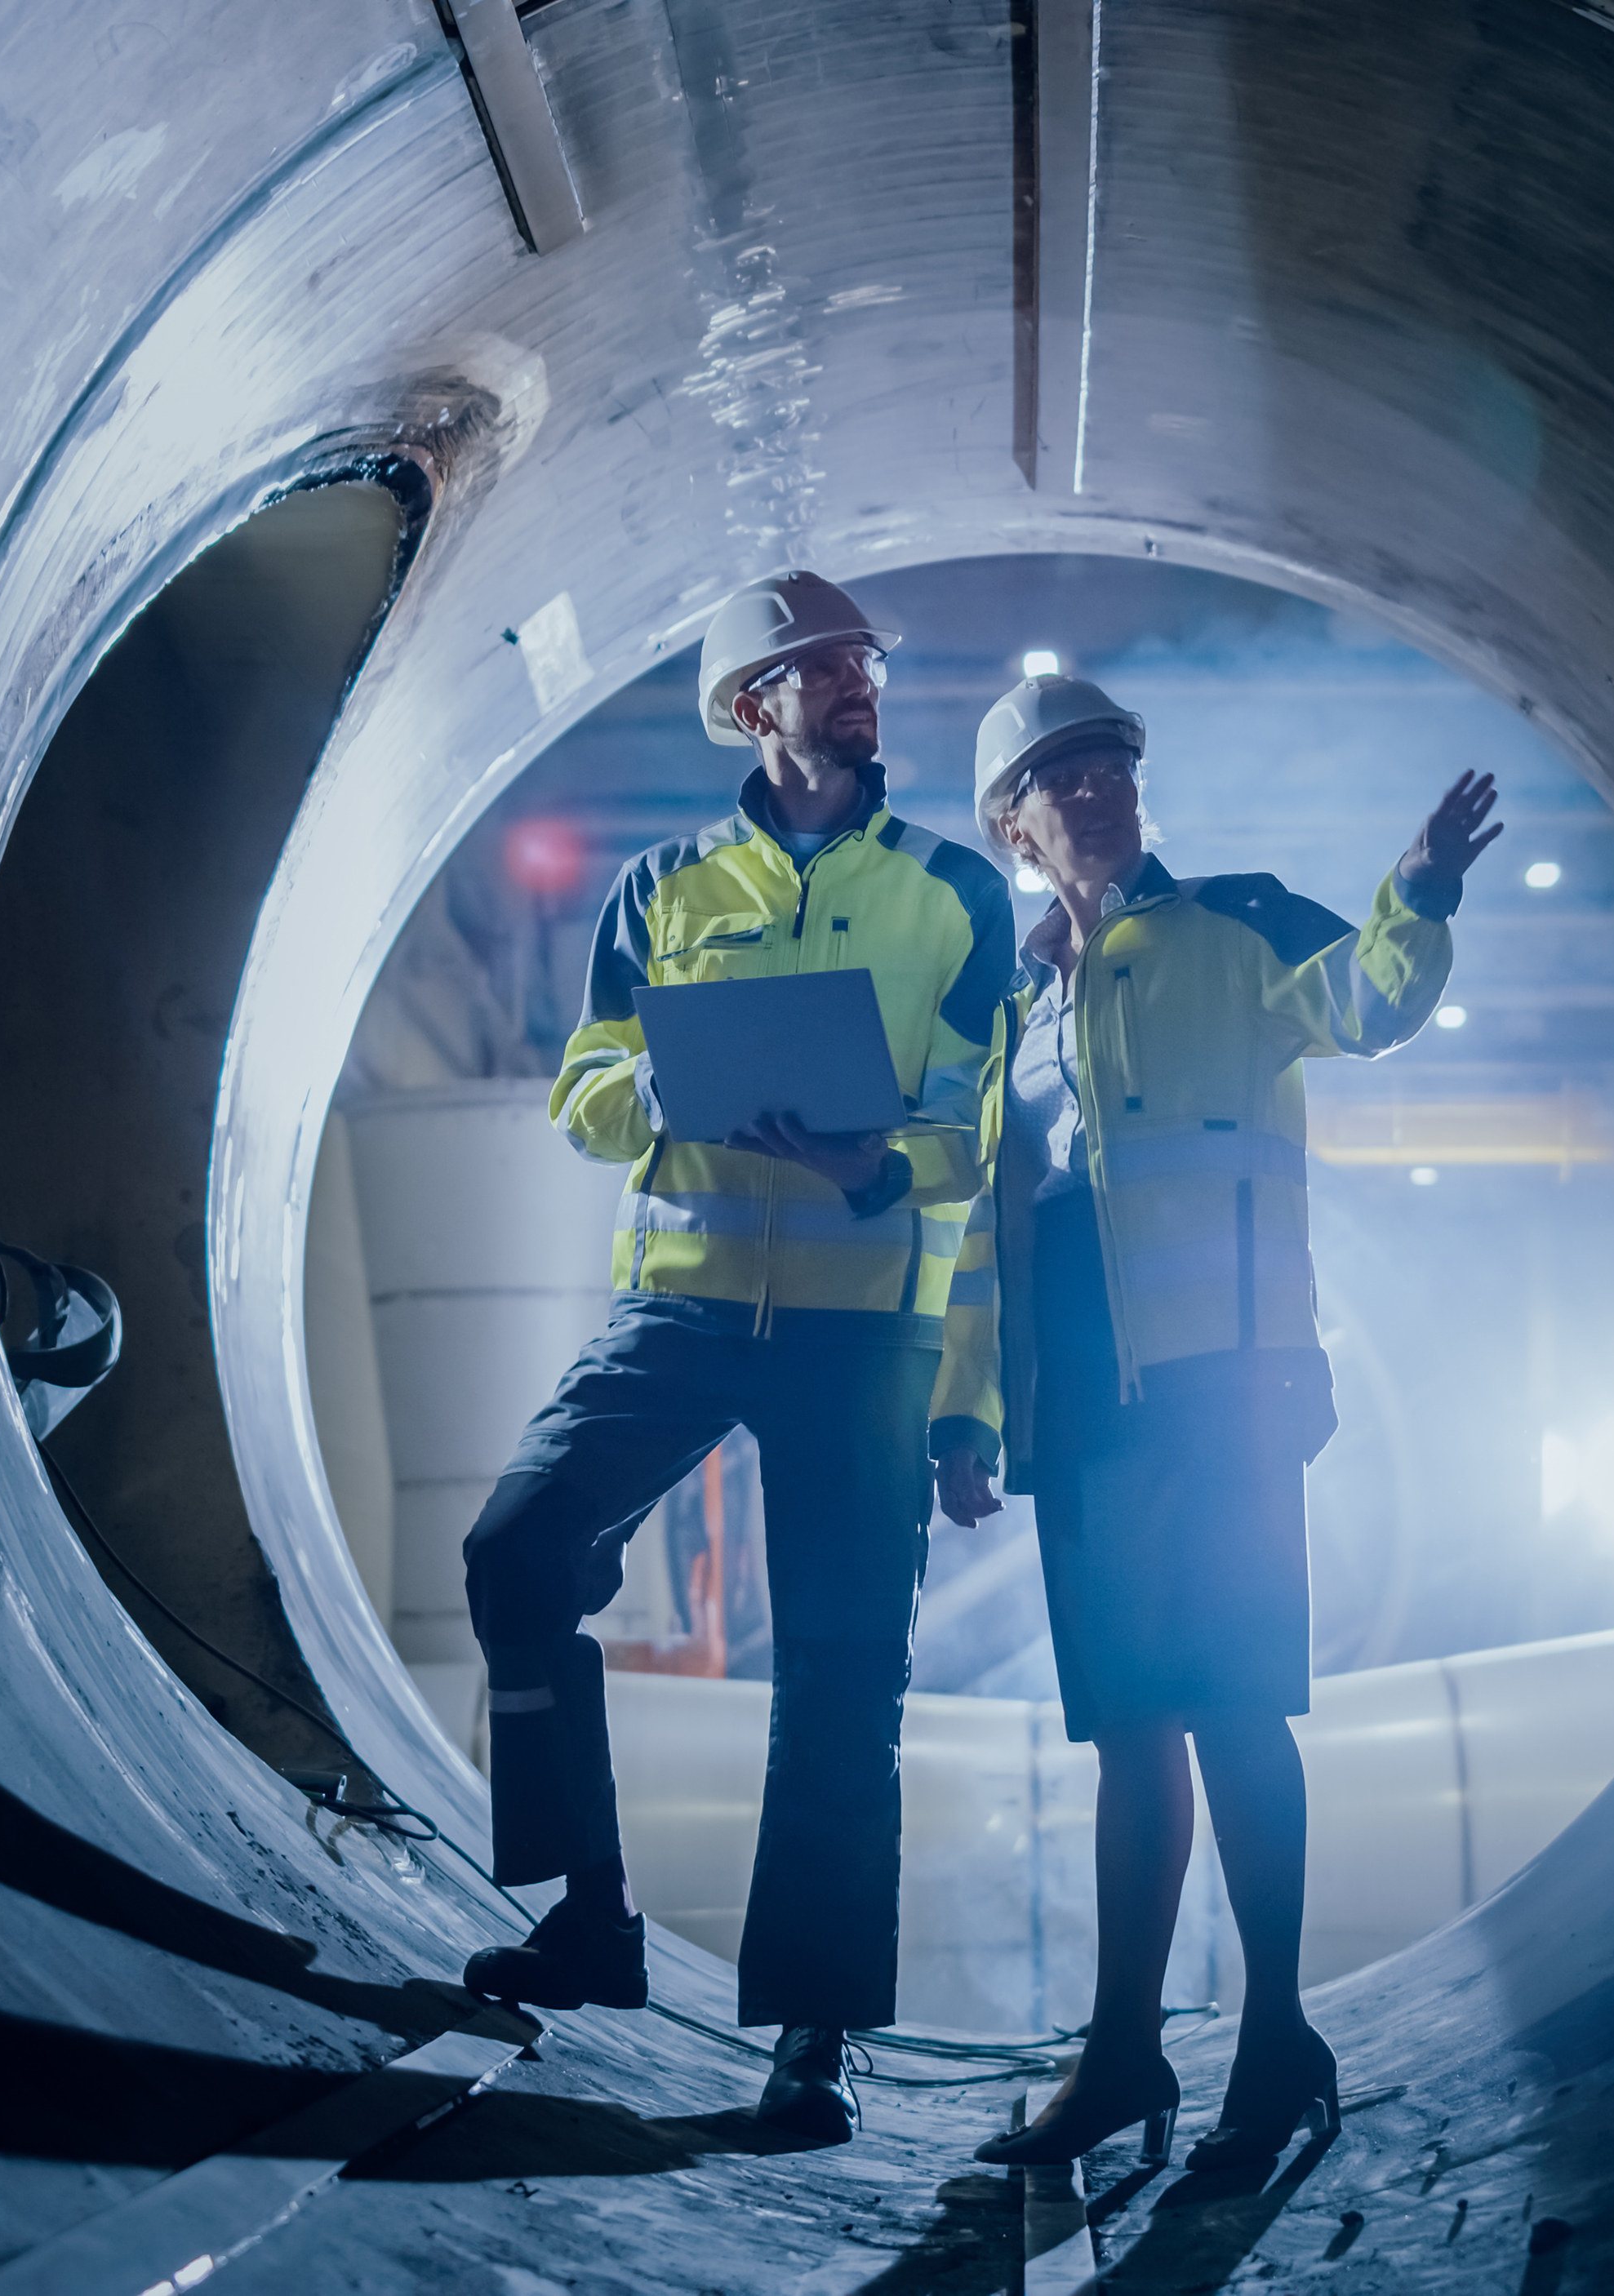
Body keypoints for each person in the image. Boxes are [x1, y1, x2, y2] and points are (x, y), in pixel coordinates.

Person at [455, 571, 1015, 2147]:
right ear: (751, 704)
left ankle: (818, 2033)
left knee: (843, 1671)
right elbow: (582, 1088)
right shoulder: (659, 890)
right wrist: (668, 1099)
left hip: (862, 1331)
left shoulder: (953, 897)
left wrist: (873, 1169)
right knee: (517, 1549)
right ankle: (591, 1913)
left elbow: (977, 1121)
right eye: (825, 665)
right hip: (685, 1308)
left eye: (868, 663)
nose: (860, 684)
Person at [936, 671, 1499, 2172]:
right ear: (1016, 821)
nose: (1103, 788)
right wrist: (966, 1415)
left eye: (1114, 763)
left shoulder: (1240, 923)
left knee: (1241, 1711)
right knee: (1133, 1732)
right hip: (1087, 1413)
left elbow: (1373, 1000)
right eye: (1068, 776)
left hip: (1229, 1387)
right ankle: (1125, 2053)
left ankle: (1273, 2039)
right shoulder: (1009, 1011)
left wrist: (1421, 889)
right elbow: (990, 1241)